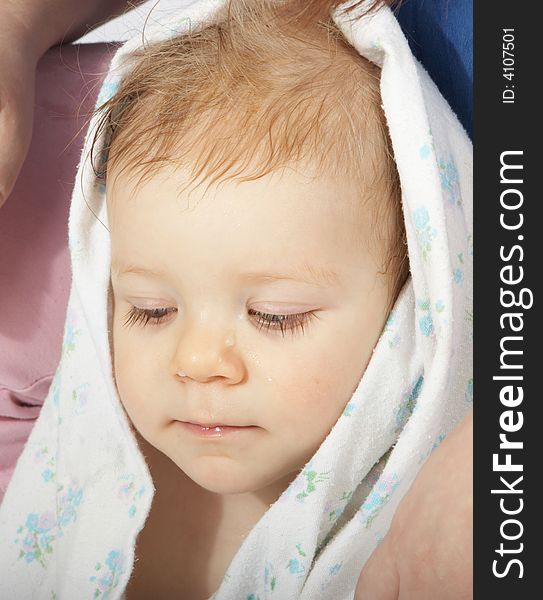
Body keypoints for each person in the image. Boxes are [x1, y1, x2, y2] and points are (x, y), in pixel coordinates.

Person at [0, 0, 472, 598]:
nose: (196, 362)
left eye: (274, 317)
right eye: (151, 309)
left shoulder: (433, 525)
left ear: (413, 298)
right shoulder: (73, 474)